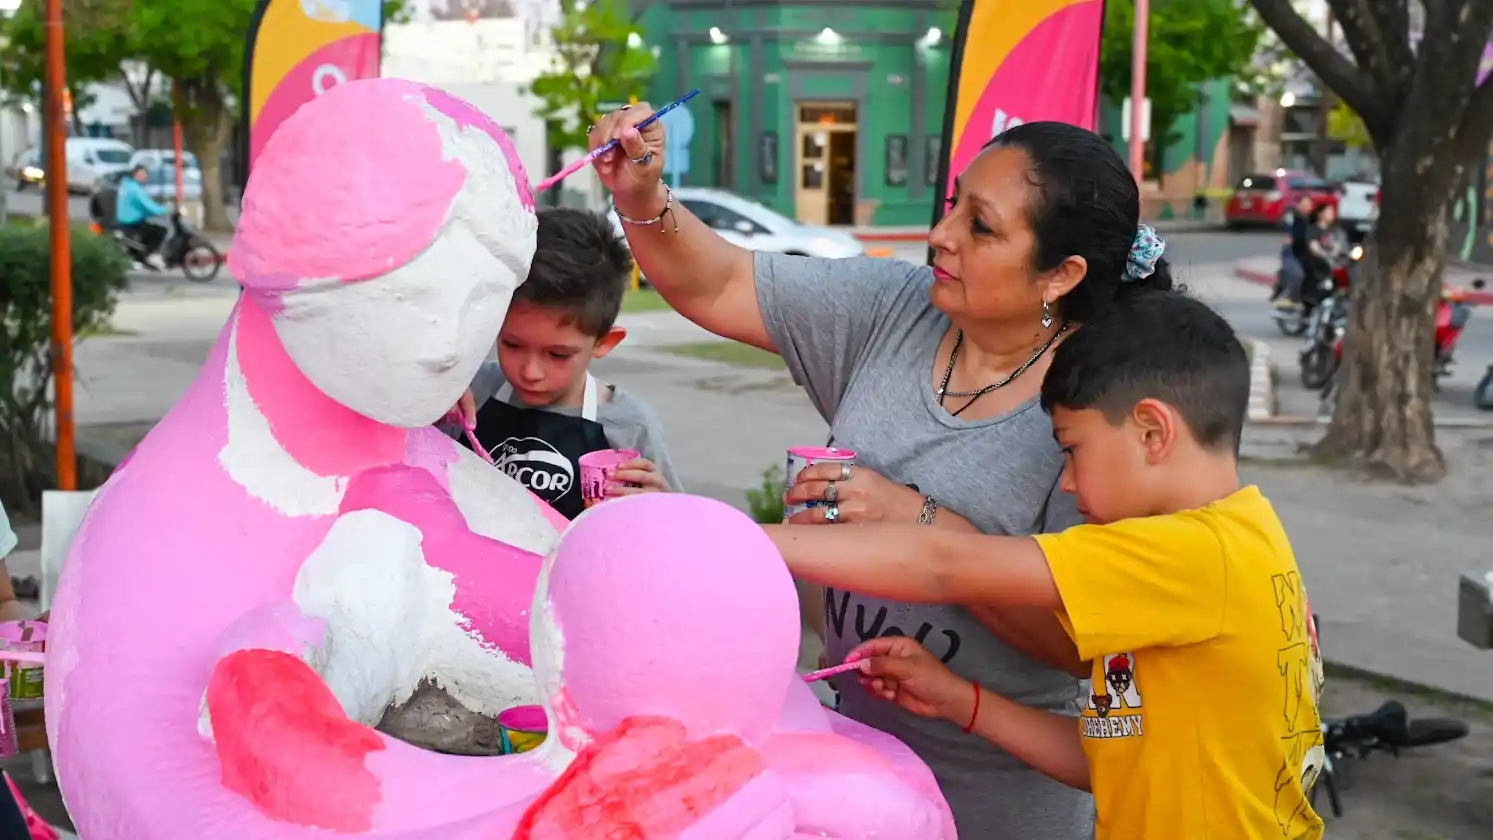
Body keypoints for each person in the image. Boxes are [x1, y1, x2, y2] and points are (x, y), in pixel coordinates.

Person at [585, 101, 1177, 837]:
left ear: (1060, 273)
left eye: (979, 227)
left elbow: (1076, 643)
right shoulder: (896, 307)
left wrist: (915, 518)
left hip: (995, 798)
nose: (941, 235)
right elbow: (716, 285)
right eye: (953, 203)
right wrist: (642, 195)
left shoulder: (1095, 406)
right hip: (850, 769)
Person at [767, 291, 1326, 839]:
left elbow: (943, 565)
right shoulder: (1240, 540)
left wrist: (742, 538)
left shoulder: (1189, 553)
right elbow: (1116, 762)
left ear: (1153, 432)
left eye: (1072, 448)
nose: (1068, 481)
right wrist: (958, 698)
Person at [451, 207, 678, 520]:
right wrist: (428, 399)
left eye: (557, 355)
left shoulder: (630, 428)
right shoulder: (468, 391)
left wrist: (664, 511)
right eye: (512, 344)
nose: (530, 372)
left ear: (604, 342)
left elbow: (675, 541)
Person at [115, 165, 169, 269]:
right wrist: (166, 209)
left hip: (124, 220)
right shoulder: (134, 189)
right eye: (142, 174)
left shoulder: (126, 185)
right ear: (135, 174)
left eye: (145, 175)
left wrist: (152, 212)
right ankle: (149, 256)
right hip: (132, 221)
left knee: (149, 230)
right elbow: (148, 205)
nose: (144, 177)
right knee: (161, 232)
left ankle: (140, 256)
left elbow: (140, 207)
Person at [1273, 194, 1314, 305]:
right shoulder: (1294, 218)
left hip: (1307, 254)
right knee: (1298, 274)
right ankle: (1291, 299)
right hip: (1292, 254)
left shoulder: (1311, 220)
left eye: (1309, 205)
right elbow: (1290, 231)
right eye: (1304, 204)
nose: (1307, 207)